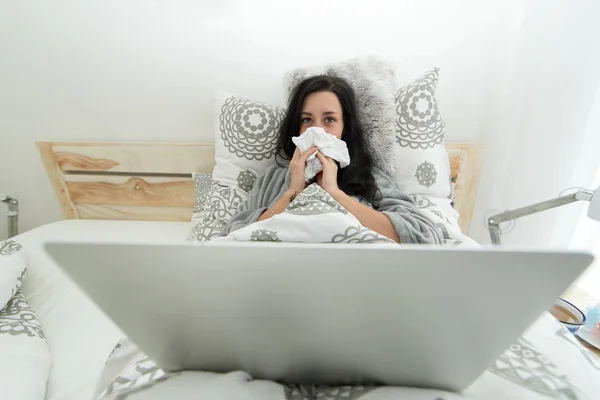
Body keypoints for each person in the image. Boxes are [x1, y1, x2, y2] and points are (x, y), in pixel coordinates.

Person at [222, 75, 444, 244]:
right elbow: (234, 236)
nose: (317, 129)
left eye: (329, 119)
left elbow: (422, 234)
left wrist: (334, 192)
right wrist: (292, 192)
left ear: (344, 128)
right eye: (307, 120)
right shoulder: (274, 176)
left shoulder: (369, 176)